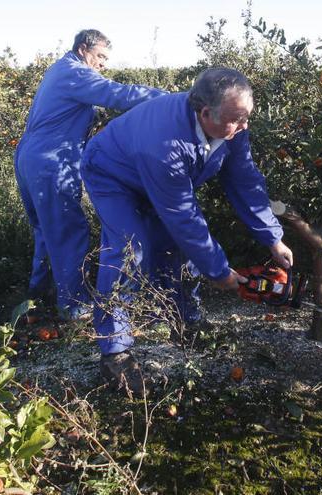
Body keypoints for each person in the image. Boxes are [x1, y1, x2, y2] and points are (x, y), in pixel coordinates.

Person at [80, 68, 293, 397]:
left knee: (175, 247)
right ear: (206, 113)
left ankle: (187, 322)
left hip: (154, 176)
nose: (244, 126)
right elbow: (183, 216)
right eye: (237, 119)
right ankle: (115, 353)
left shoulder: (232, 126)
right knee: (129, 248)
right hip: (113, 174)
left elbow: (244, 179)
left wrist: (272, 237)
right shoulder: (164, 143)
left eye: (247, 117)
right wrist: (218, 271)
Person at [14, 29, 167, 321]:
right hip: (51, 160)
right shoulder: (74, 71)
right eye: (100, 56)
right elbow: (117, 94)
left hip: (30, 157)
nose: (103, 63)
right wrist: (170, 98)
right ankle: (74, 306)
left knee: (46, 231)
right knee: (68, 230)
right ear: (84, 49)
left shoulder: (59, 70)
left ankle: (38, 296)